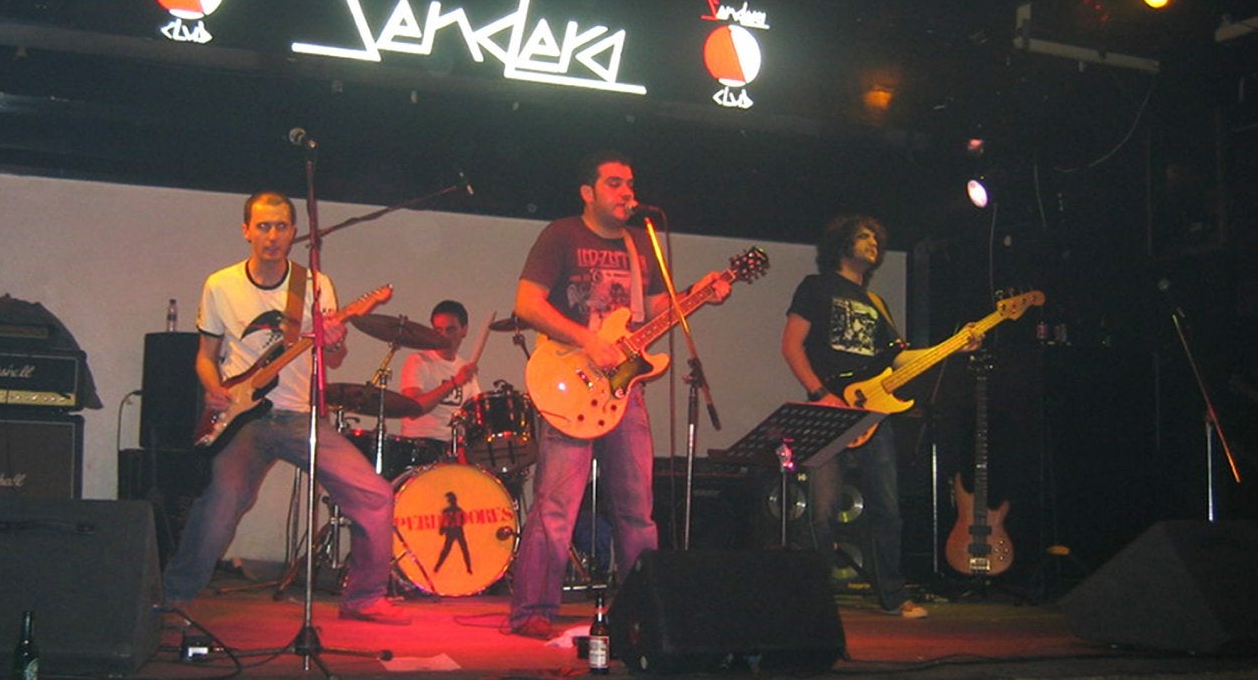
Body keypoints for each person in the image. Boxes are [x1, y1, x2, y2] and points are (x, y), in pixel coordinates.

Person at [506, 150, 728, 639]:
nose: (628, 192)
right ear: (587, 193)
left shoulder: (641, 243)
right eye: (614, 183)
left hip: (626, 393)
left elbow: (656, 312)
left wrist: (699, 292)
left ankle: (643, 610)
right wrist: (588, 341)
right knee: (555, 506)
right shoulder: (562, 234)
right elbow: (526, 304)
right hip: (572, 383)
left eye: (630, 183)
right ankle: (532, 609)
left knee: (636, 510)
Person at [160, 191, 409, 625]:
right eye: (263, 226)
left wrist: (335, 343)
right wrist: (212, 387)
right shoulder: (221, 285)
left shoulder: (314, 284)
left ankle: (365, 597)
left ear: (293, 232)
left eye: (280, 227)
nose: (272, 236)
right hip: (243, 420)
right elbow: (205, 356)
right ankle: (174, 593)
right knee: (223, 502)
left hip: (299, 416)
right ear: (246, 230)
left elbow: (332, 359)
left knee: (375, 494)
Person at [782, 214, 957, 619]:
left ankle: (894, 595)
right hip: (830, 411)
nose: (872, 243)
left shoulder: (876, 303)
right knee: (822, 510)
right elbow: (791, 345)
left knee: (887, 508)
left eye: (876, 238)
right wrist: (821, 395)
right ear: (841, 244)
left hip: (874, 413)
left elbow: (899, 359)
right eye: (863, 237)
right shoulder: (816, 287)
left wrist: (953, 346)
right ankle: (815, 598)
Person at [398, 299, 481, 460]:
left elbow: (477, 412)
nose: (444, 336)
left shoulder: (464, 368)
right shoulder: (418, 361)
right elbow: (413, 409)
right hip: (420, 445)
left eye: (450, 330)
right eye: (438, 330)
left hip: (454, 447)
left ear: (464, 330)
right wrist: (454, 383)